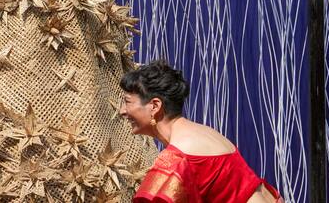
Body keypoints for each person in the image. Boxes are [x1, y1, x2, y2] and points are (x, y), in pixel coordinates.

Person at [119, 60, 283, 203]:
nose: (122, 111)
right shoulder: (207, 133)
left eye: (127, 102)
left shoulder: (176, 159)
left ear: (155, 106)